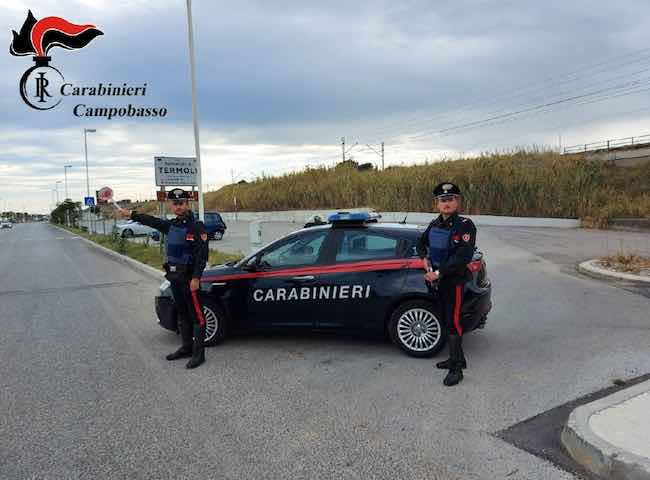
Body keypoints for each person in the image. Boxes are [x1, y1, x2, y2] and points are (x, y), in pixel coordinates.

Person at [116, 188, 209, 369]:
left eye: (181, 203)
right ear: (171, 205)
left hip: (190, 279)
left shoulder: (197, 227)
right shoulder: (171, 225)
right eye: (175, 204)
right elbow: (151, 221)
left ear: (187, 204)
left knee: (197, 316)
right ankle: (186, 347)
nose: (178, 207)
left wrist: (197, 278)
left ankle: (199, 354)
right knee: (182, 314)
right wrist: (131, 214)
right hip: (175, 277)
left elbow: (202, 255)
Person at [416, 182, 477, 386]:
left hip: (454, 282)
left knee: (454, 324)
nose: (447, 203)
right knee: (445, 320)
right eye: (443, 200)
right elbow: (421, 242)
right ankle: (453, 358)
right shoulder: (435, 224)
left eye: (451, 199)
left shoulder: (465, 225)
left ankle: (457, 369)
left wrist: (439, 273)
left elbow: (462, 256)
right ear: (437, 204)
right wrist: (423, 257)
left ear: (457, 202)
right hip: (438, 282)